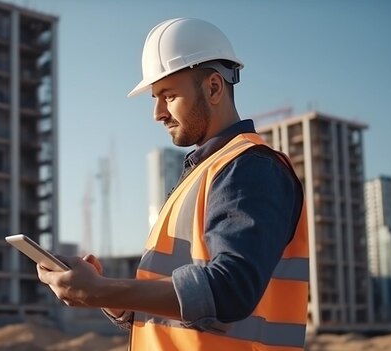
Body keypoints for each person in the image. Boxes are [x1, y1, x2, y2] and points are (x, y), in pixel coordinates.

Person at [37, 18, 309, 351]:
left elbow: (229, 291)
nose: (157, 113)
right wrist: (107, 294)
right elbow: (187, 311)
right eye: (155, 97)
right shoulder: (204, 174)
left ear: (213, 88)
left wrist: (100, 291)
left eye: (168, 96)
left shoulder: (252, 167)